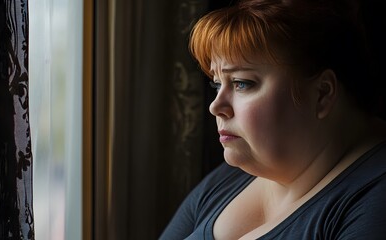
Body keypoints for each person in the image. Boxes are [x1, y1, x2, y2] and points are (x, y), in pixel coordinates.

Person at [159, 0, 386, 239]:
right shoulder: (232, 174)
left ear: (322, 94)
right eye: (217, 84)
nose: (216, 106)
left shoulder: (374, 204)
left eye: (241, 83)